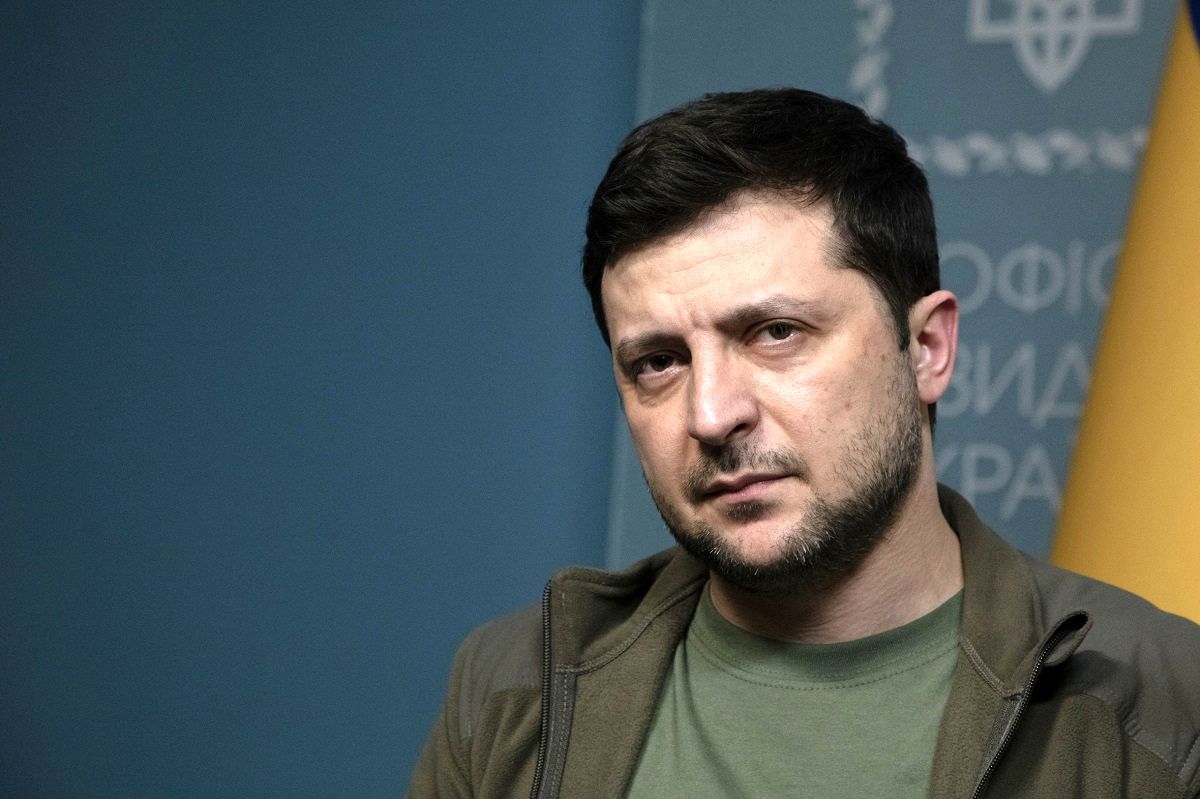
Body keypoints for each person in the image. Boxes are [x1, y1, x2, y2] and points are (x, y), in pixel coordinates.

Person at [408, 88, 1200, 798]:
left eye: (776, 332)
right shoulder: (517, 689)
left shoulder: (1165, 705)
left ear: (927, 349)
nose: (711, 414)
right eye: (659, 361)